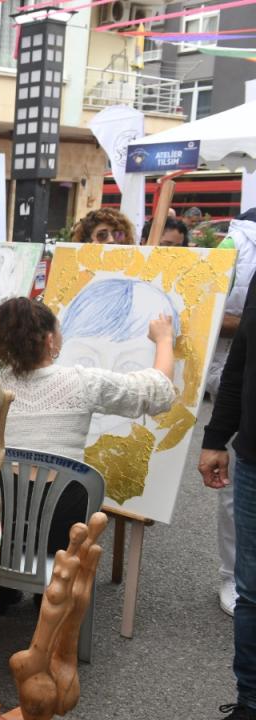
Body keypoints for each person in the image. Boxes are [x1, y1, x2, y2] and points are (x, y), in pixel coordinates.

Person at [0, 296, 176, 557]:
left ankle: (5, 586)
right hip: (63, 523)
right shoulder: (80, 381)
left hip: (4, 522)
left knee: (3, 483)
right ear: (50, 340)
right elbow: (158, 392)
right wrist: (164, 340)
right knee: (69, 497)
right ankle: (52, 592)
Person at [200, 226, 256, 720]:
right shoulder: (242, 247)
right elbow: (240, 361)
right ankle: (249, 701)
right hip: (253, 446)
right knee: (251, 588)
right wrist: (216, 437)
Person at [205, 209, 256, 618]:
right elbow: (210, 307)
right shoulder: (235, 242)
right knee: (237, 493)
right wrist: (215, 437)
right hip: (240, 397)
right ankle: (233, 574)